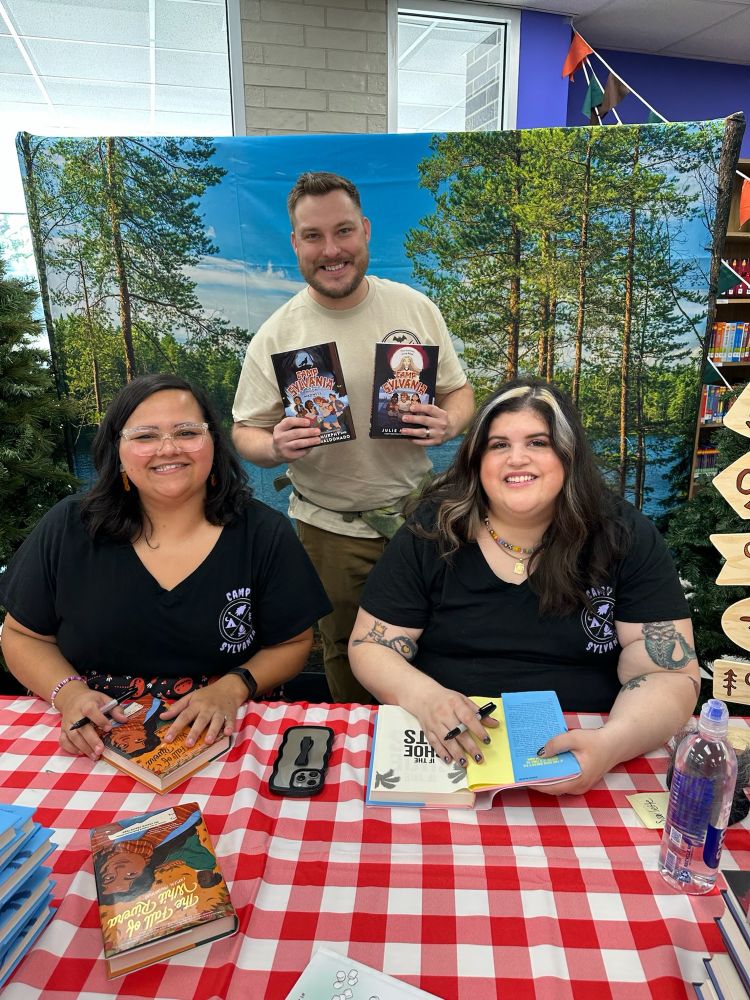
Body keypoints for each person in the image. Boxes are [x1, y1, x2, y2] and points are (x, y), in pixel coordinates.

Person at [348, 377, 699, 794]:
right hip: (443, 741)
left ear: (569, 456)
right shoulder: (433, 528)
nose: (517, 458)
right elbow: (371, 645)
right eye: (498, 445)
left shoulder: (623, 533)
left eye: (538, 442)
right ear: (477, 460)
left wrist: (609, 745)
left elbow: (668, 672)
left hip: (593, 743)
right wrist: (424, 697)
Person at [232, 171, 474, 704]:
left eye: (343, 231)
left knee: (434, 638)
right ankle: (357, 745)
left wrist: (450, 422)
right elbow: (244, 430)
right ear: (295, 243)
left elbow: (460, 393)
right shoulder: (278, 334)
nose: (331, 249)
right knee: (343, 646)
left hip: (420, 518)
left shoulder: (414, 308)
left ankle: (431, 742)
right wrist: (274, 446)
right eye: (313, 236)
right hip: (330, 525)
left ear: (365, 231)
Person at [0, 373, 330, 762]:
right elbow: (21, 637)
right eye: (144, 436)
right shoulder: (70, 526)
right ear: (117, 450)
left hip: (229, 731)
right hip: (87, 734)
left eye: (187, 432)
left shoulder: (263, 532)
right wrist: (69, 694)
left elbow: (292, 643)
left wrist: (233, 687)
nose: (168, 449)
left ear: (214, 443)